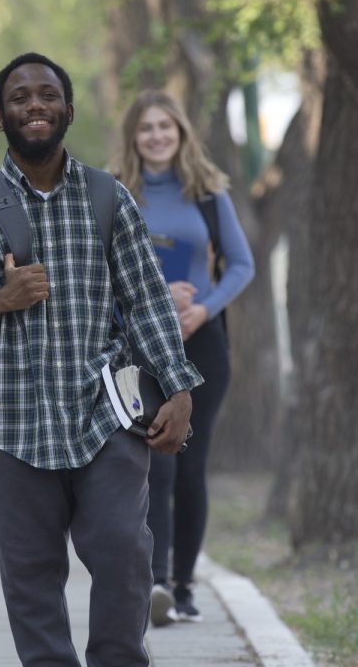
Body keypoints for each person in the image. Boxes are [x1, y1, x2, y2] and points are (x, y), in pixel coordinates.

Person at [0, 52, 202, 667]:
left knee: (125, 549)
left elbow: (148, 300)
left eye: (48, 95)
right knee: (31, 575)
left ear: (68, 110)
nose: (35, 106)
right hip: (12, 425)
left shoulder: (108, 199)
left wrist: (178, 391)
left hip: (105, 416)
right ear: (1, 118)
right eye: (20, 98)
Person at [113, 89, 255, 626]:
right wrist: (150, 299)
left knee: (191, 466)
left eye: (165, 127)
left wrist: (203, 310)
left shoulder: (208, 193)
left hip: (201, 346)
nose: (156, 136)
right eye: (146, 127)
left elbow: (241, 265)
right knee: (150, 465)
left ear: (181, 134)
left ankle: (184, 585)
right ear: (133, 135)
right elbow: (97, 272)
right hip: (136, 347)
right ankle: (151, 583)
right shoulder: (114, 194)